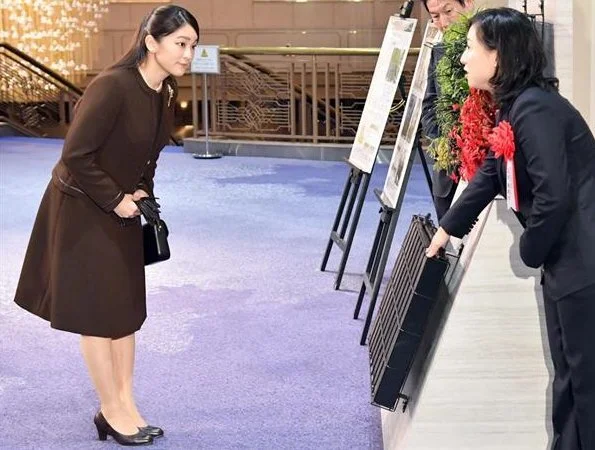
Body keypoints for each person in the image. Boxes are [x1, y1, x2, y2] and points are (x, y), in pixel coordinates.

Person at [13, 5, 199, 446]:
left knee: (126, 311)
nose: (188, 54)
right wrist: (116, 199)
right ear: (151, 42)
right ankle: (110, 409)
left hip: (120, 208)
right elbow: (76, 154)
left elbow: (146, 155)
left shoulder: (163, 90)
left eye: (193, 45)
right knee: (98, 315)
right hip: (81, 209)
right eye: (180, 43)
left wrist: (141, 194)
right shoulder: (113, 87)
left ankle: (125, 402)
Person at [426, 8, 595, 450]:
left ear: (498, 56)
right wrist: (448, 228)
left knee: (585, 385)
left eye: (470, 48)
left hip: (583, 264)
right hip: (572, 264)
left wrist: (530, 251)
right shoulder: (520, 104)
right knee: (572, 380)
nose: (463, 57)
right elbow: (490, 173)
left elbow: (554, 196)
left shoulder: (535, 109)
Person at [420, 0, 474, 220]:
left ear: (468, 3)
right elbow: (430, 104)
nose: (443, 23)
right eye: (435, 16)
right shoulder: (439, 51)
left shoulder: (491, 45)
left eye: (448, 11)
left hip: (483, 173)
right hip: (447, 172)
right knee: (448, 241)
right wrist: (442, 143)